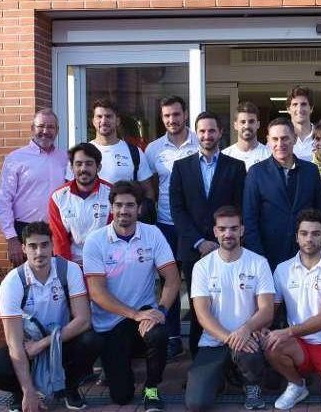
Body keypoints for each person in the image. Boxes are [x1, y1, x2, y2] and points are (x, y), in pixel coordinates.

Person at [0, 221, 102, 412]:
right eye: (33, 246)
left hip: (60, 341)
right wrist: (28, 391)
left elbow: (83, 320)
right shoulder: (12, 282)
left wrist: (43, 343)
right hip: (27, 346)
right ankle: (22, 393)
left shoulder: (69, 270)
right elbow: (14, 343)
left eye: (44, 245)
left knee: (92, 340)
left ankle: (69, 389)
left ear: (52, 245)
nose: (39, 252)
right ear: (23, 248)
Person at [82, 181, 181, 411]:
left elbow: (173, 278)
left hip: (143, 318)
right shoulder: (95, 241)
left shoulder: (153, 234)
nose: (123, 211)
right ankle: (115, 366)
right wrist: (135, 314)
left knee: (158, 334)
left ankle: (152, 389)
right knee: (122, 396)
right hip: (111, 323)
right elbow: (97, 293)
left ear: (140, 209)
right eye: (118, 205)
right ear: (111, 208)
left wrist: (162, 311)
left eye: (129, 205)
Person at [170, 111, 247, 355]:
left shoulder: (236, 167)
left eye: (211, 130)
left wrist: (222, 241)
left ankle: (231, 361)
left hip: (228, 249)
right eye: (202, 131)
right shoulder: (181, 167)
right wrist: (200, 241)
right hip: (194, 250)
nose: (207, 135)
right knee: (198, 307)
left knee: (230, 304)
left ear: (221, 133)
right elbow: (177, 209)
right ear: (196, 134)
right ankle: (198, 361)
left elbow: (239, 206)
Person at [184, 206, 275, 412]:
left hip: (248, 340)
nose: (228, 234)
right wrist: (229, 338)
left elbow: (267, 310)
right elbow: (202, 315)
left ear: (242, 230)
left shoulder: (258, 263)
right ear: (215, 231)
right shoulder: (203, 266)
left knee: (250, 353)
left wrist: (245, 330)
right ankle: (224, 375)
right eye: (223, 228)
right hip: (214, 341)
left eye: (234, 228)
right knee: (197, 404)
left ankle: (252, 386)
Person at [264, 209, 321, 410]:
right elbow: (271, 309)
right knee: (270, 343)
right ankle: (297, 384)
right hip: (298, 345)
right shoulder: (282, 269)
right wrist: (257, 327)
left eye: (315, 233)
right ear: (296, 237)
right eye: (304, 233)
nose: (309, 239)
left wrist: (287, 331)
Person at [145, 95, 201, 358]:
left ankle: (200, 337)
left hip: (192, 225)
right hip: (165, 224)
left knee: (195, 281)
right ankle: (173, 337)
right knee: (169, 283)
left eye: (176, 114)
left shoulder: (200, 142)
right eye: (166, 116)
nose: (171, 120)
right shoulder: (153, 149)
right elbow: (150, 187)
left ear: (185, 114)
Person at [243, 117, 321, 269]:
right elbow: (249, 219)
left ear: (294, 139)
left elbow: (320, 212)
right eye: (275, 139)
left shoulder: (311, 171)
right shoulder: (256, 173)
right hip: (268, 257)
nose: (280, 144)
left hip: (306, 255)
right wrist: (258, 256)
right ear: (268, 140)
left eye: (285, 138)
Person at [0, 109, 68, 266]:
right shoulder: (15, 159)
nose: (45, 131)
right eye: (40, 126)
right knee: (26, 285)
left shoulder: (65, 158)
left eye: (50, 127)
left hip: (57, 232)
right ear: (32, 129)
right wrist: (12, 238)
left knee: (57, 283)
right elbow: (3, 201)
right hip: (24, 231)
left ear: (57, 131)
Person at [48, 143, 112, 264]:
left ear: (98, 167)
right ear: (71, 168)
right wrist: (67, 270)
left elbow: (114, 236)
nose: (83, 169)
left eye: (89, 164)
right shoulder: (58, 197)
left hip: (106, 262)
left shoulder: (112, 194)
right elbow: (59, 240)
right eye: (78, 164)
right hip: (73, 264)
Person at [87, 99, 155, 202]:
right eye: (99, 116)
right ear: (93, 121)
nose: (104, 121)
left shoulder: (134, 152)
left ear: (117, 121)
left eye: (109, 116)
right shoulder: (83, 153)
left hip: (125, 216)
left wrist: (144, 213)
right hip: (92, 217)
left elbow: (148, 191)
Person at [286, 85, 321, 162]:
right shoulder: (280, 139)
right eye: (295, 104)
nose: (299, 109)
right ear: (288, 109)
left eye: (303, 104)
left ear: (311, 108)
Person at [222, 101, 272, 171]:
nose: (247, 126)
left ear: (258, 124)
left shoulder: (269, 155)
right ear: (235, 125)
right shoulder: (225, 156)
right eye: (243, 122)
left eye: (251, 121)